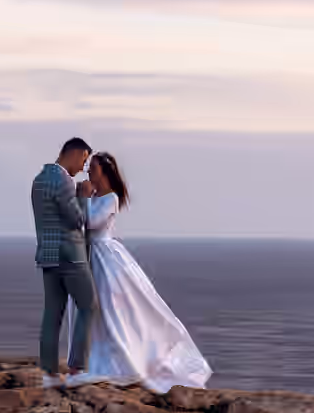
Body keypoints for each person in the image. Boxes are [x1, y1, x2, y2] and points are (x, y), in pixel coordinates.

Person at [66, 151, 212, 392]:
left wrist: (82, 197)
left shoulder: (110, 198)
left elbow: (90, 223)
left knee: (113, 310)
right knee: (90, 311)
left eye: (93, 167)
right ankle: (85, 361)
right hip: (88, 257)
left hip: (105, 258)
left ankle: (125, 358)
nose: (88, 171)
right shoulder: (92, 197)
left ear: (104, 171)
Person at [31, 137, 98, 385]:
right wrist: (83, 195)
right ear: (75, 152)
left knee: (52, 315)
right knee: (89, 306)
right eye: (83, 160)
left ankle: (49, 374)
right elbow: (76, 220)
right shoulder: (63, 181)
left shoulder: (39, 180)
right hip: (71, 256)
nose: (83, 167)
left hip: (48, 256)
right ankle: (77, 369)